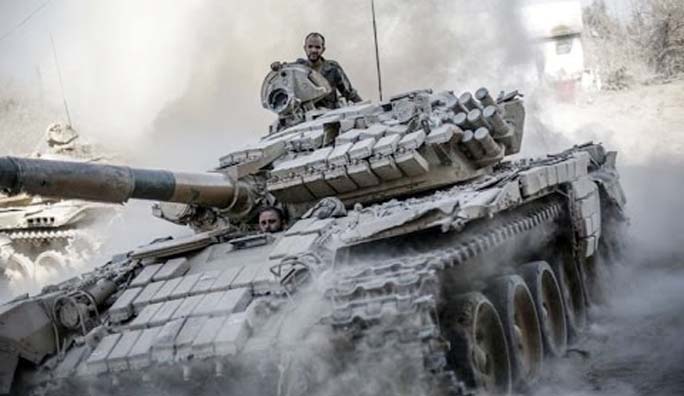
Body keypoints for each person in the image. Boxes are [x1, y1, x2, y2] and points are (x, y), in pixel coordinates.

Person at [272, 32, 362, 109]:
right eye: (310, 47)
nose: (314, 50)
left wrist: (362, 106)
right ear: (305, 48)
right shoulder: (298, 68)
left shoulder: (332, 68)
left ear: (323, 49)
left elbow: (349, 93)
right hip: (305, 118)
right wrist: (277, 66)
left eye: (318, 47)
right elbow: (284, 69)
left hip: (330, 115)